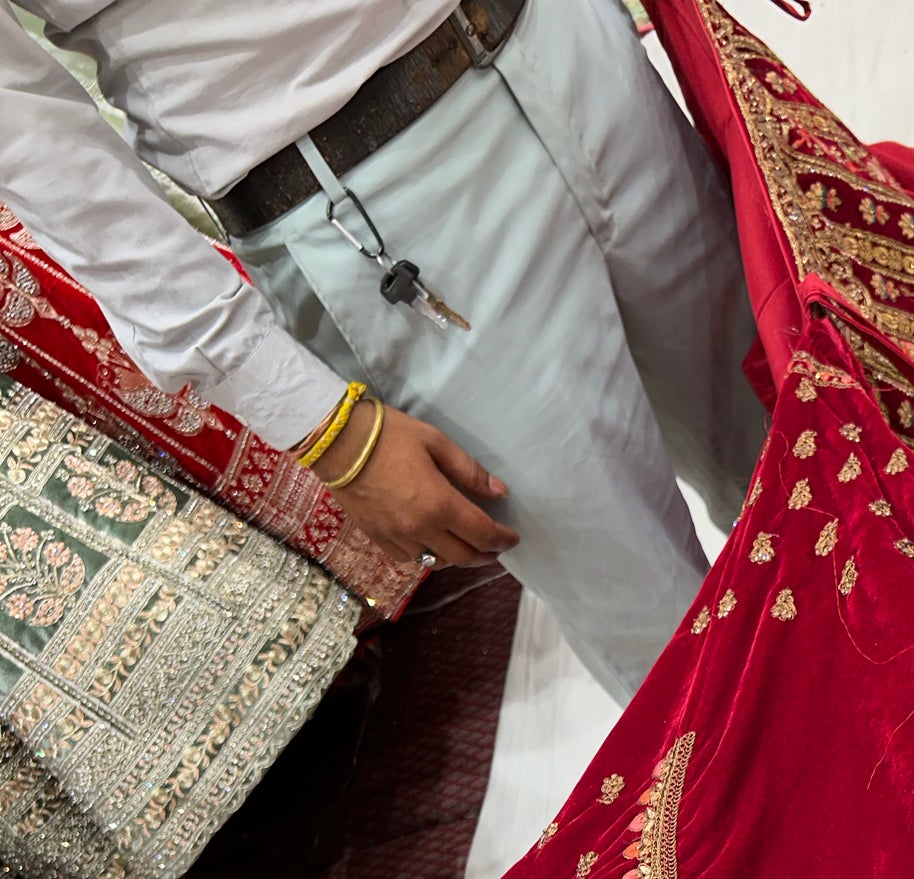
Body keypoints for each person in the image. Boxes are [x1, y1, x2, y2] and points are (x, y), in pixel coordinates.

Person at [0, 0, 767, 700]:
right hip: (367, 206)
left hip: (564, 40)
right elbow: (27, 133)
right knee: (671, 645)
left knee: (804, 450)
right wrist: (315, 423)